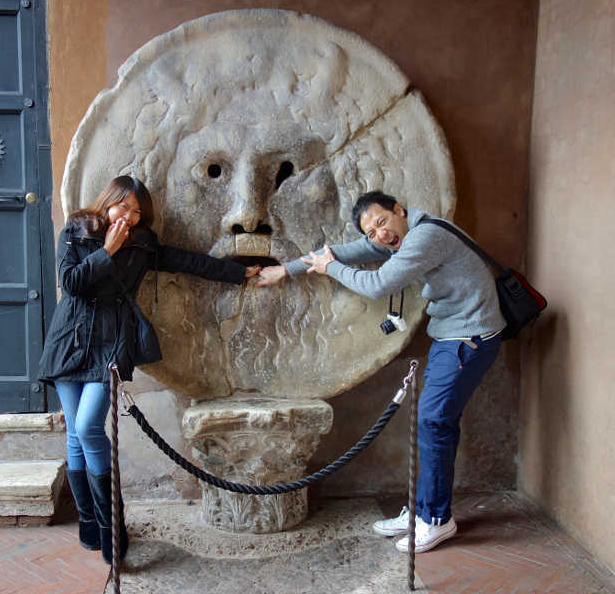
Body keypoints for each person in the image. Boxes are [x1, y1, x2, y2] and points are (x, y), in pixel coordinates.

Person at [257, 190, 505, 553]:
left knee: (434, 422)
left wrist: (331, 270)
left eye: (382, 222)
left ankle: (435, 520)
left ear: (399, 211)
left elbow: (377, 285)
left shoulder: (425, 236)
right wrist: (285, 270)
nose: (380, 235)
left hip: (470, 336)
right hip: (451, 335)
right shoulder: (402, 237)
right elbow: (343, 251)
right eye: (371, 233)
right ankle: (423, 512)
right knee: (435, 423)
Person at [39, 176, 259, 564]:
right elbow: (71, 284)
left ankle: (112, 528)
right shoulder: (75, 229)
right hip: (68, 341)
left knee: (89, 426)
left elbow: (189, 262)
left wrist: (240, 272)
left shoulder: (143, 244)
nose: (129, 216)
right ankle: (89, 526)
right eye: (124, 206)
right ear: (108, 202)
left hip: (109, 342)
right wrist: (107, 250)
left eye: (137, 212)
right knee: (74, 434)